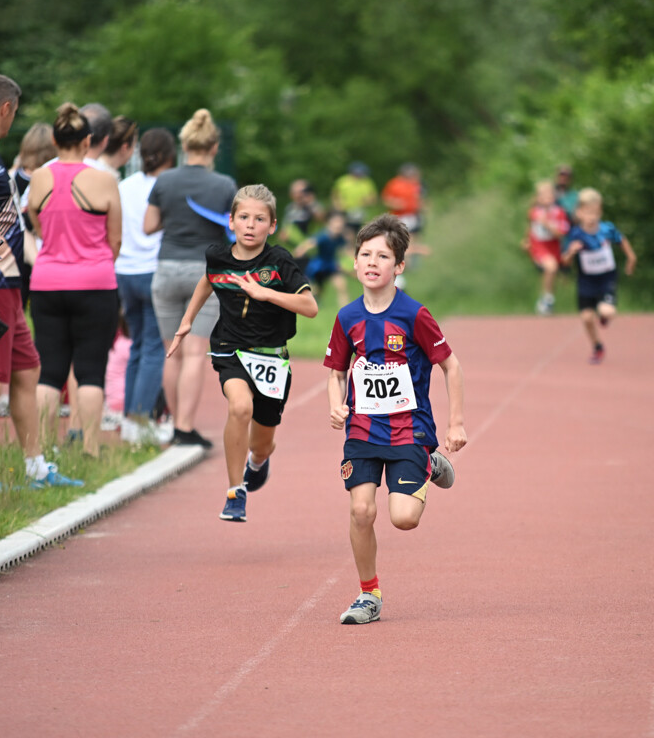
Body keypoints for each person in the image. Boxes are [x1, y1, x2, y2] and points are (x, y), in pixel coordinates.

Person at [324, 214, 466, 625]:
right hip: (364, 429)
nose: (372, 262)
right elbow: (336, 369)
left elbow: (450, 365)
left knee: (403, 518)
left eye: (382, 256)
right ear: (354, 263)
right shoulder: (347, 317)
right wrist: (336, 403)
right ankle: (369, 595)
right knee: (361, 512)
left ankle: (430, 462)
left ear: (399, 266)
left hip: (410, 429)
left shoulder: (414, 314)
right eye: (365, 254)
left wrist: (455, 424)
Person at [166, 184, 317, 522]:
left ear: (272, 226)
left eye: (259, 219)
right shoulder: (218, 256)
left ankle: (258, 462)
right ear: (231, 222)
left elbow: (310, 307)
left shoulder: (279, 261)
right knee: (240, 406)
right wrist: (187, 321)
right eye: (244, 217)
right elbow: (209, 280)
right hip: (230, 349)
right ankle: (236, 492)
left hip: (272, 358)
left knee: (262, 443)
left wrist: (266, 293)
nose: (251, 225)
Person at [0, 72, 64, 488]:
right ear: (6, 109)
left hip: (11, 283)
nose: (12, 121)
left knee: (27, 369)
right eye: (14, 113)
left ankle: (35, 464)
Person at [27, 103, 122, 459]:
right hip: (95, 281)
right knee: (91, 369)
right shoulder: (104, 180)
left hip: (48, 281)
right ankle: (91, 448)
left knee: (50, 370)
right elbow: (115, 239)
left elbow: (36, 225)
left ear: (54, 139)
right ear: (87, 141)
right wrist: (97, 262)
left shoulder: (39, 177)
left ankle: (45, 448)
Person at [146, 108, 236, 449]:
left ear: (184, 146)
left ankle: (171, 424)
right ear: (214, 148)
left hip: (166, 268)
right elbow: (235, 228)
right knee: (197, 354)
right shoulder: (224, 184)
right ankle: (185, 426)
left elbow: (149, 225)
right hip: (205, 273)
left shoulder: (164, 181)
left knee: (174, 352)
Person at [116, 128, 176, 444]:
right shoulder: (169, 186)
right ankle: (140, 420)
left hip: (124, 269)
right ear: (170, 154)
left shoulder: (124, 186)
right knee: (154, 347)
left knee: (138, 344)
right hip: (154, 270)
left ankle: (130, 418)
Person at [561, 188, 637, 365]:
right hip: (586, 281)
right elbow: (564, 261)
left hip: (606, 279)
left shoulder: (607, 229)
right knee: (586, 317)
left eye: (595, 212)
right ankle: (597, 347)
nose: (592, 217)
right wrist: (571, 253)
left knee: (606, 311)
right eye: (587, 212)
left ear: (600, 212)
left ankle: (604, 316)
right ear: (579, 213)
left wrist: (631, 258)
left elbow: (622, 240)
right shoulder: (576, 234)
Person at [524, 180, 569, 315]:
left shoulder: (559, 213)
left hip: (554, 248)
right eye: (543, 196)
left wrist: (548, 224)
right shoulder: (533, 212)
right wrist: (526, 240)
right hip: (539, 247)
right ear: (538, 198)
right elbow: (532, 228)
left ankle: (547, 298)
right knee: (551, 266)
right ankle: (547, 299)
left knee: (553, 270)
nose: (547, 199)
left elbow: (561, 233)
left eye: (549, 195)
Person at [294, 210, 349, 301]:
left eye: (341, 222)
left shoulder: (341, 237)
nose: (339, 224)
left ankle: (346, 311)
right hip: (318, 265)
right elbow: (311, 243)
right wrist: (301, 250)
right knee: (314, 289)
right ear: (330, 223)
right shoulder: (324, 235)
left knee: (341, 285)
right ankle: (312, 298)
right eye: (336, 221)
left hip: (331, 264)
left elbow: (346, 250)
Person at [331, 161, 378, 234]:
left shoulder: (367, 182)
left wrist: (368, 201)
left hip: (360, 209)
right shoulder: (343, 181)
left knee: (358, 230)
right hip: (344, 209)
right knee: (344, 230)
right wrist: (337, 204)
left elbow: (373, 197)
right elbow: (335, 194)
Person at [380, 163, 425, 234]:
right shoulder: (394, 184)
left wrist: (421, 206)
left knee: (414, 237)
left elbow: (419, 198)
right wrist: (395, 204)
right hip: (399, 216)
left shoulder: (415, 183)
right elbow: (386, 200)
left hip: (413, 215)